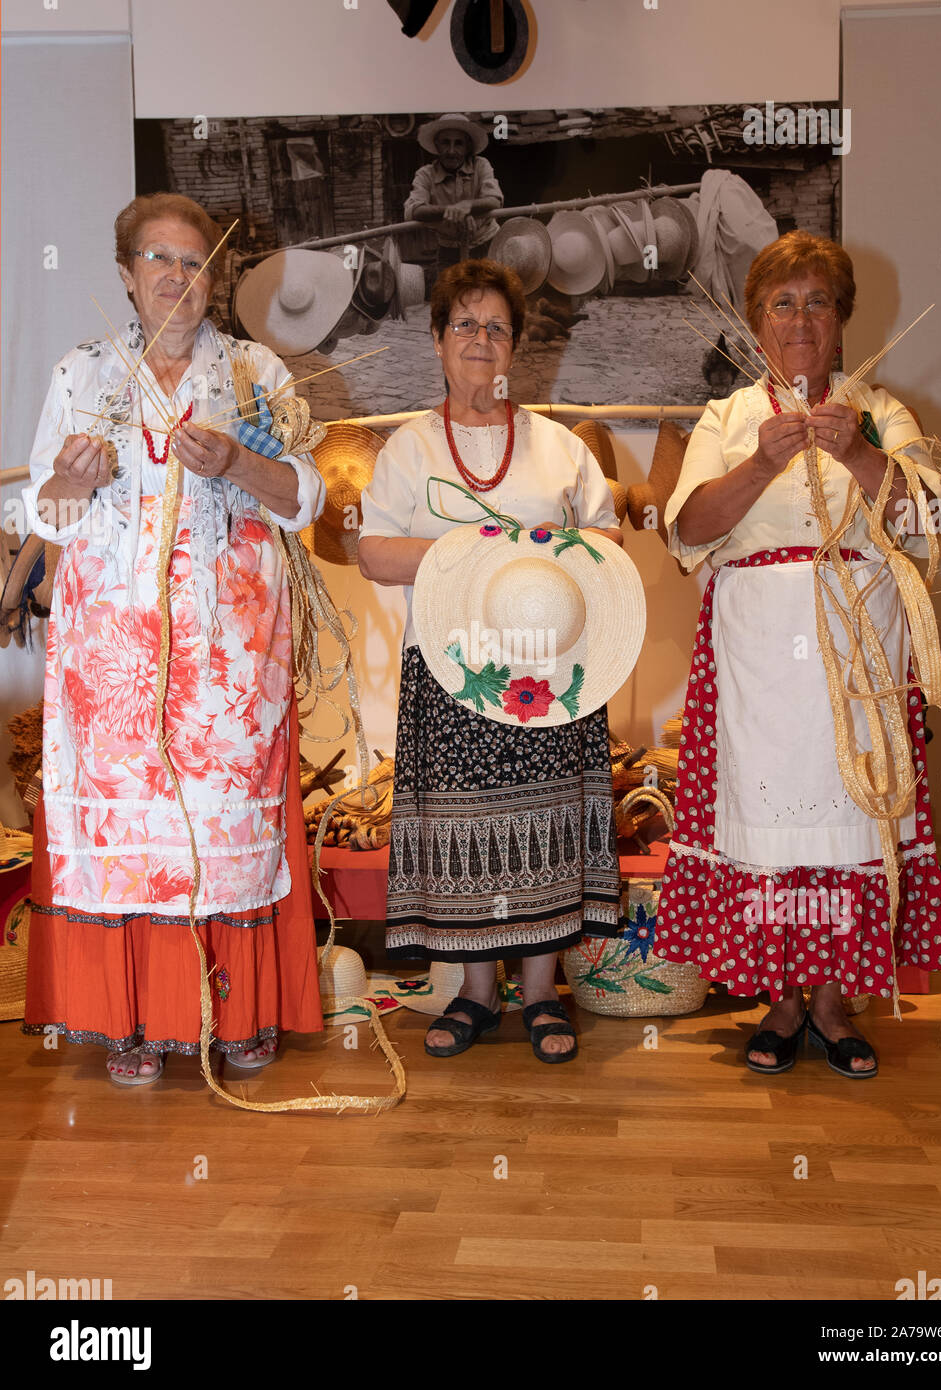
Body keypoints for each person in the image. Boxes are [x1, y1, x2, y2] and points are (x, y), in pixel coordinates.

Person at [22, 193, 326, 1085]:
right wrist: (70, 483)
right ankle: (134, 1022)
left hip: (226, 655)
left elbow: (305, 502)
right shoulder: (83, 373)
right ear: (125, 275)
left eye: (194, 263)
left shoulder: (255, 373)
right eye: (158, 259)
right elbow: (46, 514)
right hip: (112, 659)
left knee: (226, 829)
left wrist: (239, 461)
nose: (176, 278)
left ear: (214, 276)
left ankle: (234, 1016)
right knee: (134, 840)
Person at [654, 231, 941, 1078]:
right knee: (768, 821)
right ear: (755, 323)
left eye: (816, 301)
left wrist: (856, 452)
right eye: (781, 303)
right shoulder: (726, 419)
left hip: (857, 644)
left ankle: (832, 1001)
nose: (799, 319)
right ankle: (781, 1001)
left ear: (841, 319)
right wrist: (758, 465)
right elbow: (687, 528)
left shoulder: (880, 412)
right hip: (754, 659)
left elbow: (924, 518)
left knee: (849, 813)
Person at [358, 258, 621, 1063]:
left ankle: (540, 995)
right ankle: (475, 994)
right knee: (465, 832)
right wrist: (476, 548)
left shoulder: (556, 446)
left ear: (516, 348)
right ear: (436, 340)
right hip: (450, 671)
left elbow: (605, 540)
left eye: (496, 326)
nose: (480, 339)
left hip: (549, 666)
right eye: (464, 324)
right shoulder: (409, 448)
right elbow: (371, 552)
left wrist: (538, 558)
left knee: (543, 825)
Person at [404, 114, 503, 283]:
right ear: (437, 145)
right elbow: (413, 210)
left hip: (487, 244)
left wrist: (468, 205)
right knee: (447, 301)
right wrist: (451, 211)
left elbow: (495, 200)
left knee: (492, 296)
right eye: (445, 143)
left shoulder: (481, 165)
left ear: (467, 147)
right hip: (449, 249)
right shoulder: (425, 174)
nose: (451, 151)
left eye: (458, 143)